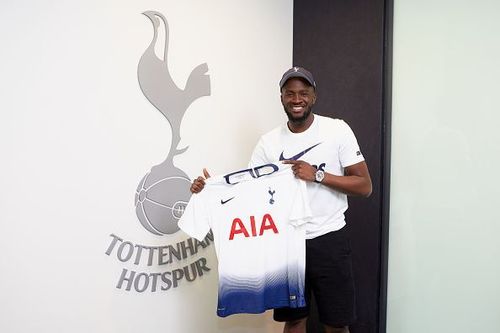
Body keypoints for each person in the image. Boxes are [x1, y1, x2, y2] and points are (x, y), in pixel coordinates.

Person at [190, 67, 372, 333]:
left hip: (329, 239)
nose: (296, 99)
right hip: (286, 242)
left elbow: (364, 185)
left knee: (336, 322)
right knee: (294, 320)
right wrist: (210, 188)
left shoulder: (336, 130)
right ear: (282, 98)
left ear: (314, 96)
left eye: (303, 93)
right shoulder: (269, 143)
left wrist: (318, 175)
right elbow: (248, 189)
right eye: (290, 94)